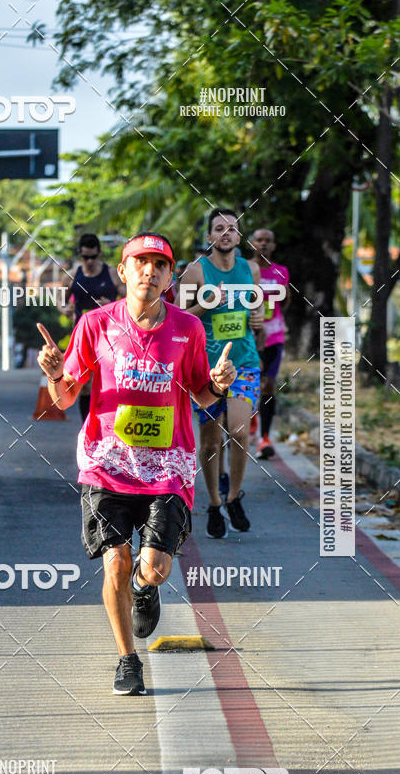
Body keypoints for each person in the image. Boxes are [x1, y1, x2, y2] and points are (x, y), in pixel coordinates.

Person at [38, 232, 237, 696]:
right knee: (115, 563)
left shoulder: (188, 329)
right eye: (140, 263)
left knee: (152, 567)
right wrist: (53, 375)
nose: (150, 271)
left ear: (169, 277)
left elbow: (199, 393)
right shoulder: (95, 324)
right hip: (106, 461)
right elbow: (66, 396)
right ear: (122, 271)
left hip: (166, 465)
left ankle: (145, 588)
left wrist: (219, 383)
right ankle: (128, 660)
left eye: (160, 265)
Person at [180, 208, 265, 537]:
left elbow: (255, 306)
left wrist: (257, 317)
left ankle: (234, 496)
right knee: (211, 441)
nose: (226, 233)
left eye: (232, 228)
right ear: (209, 236)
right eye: (219, 228)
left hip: (243, 361)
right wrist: (205, 305)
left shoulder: (250, 269)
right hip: (206, 368)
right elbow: (180, 317)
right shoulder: (195, 272)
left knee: (239, 431)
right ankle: (214, 503)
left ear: (239, 236)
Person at [58, 234, 124, 421]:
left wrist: (111, 304)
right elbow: (60, 302)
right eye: (85, 257)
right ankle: (87, 426)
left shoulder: (111, 273)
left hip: (110, 335)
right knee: (85, 383)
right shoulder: (71, 275)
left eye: (93, 257)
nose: (89, 261)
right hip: (83, 335)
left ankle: (108, 422)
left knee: (109, 379)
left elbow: (130, 298)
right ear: (80, 254)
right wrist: (65, 309)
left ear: (99, 254)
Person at [250, 228, 291, 459]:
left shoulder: (281, 272)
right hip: (247, 336)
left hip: (274, 336)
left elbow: (283, 305)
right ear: (252, 243)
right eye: (259, 240)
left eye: (268, 241)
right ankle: (250, 424)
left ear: (273, 246)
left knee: (267, 385)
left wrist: (285, 296)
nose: (263, 244)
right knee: (250, 384)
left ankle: (264, 438)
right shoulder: (244, 269)